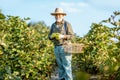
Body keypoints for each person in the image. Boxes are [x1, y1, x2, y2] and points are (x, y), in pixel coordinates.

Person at [48, 8, 74, 80]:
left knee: (67, 66)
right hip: (57, 48)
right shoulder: (53, 25)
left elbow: (72, 36)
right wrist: (52, 36)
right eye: (56, 15)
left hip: (65, 47)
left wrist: (62, 36)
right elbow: (49, 36)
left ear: (62, 15)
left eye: (59, 15)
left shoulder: (67, 24)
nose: (58, 16)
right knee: (60, 67)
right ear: (54, 16)